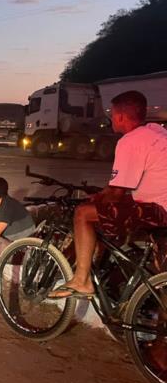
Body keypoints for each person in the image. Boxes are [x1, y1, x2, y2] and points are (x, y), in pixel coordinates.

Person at [49, 90, 167, 300]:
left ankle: (82, 281)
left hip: (159, 211)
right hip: (158, 202)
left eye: (112, 114)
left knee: (83, 214)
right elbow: (127, 184)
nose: (111, 118)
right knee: (103, 212)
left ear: (120, 116)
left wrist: (94, 200)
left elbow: (115, 193)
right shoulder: (156, 131)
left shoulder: (130, 141)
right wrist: (101, 196)